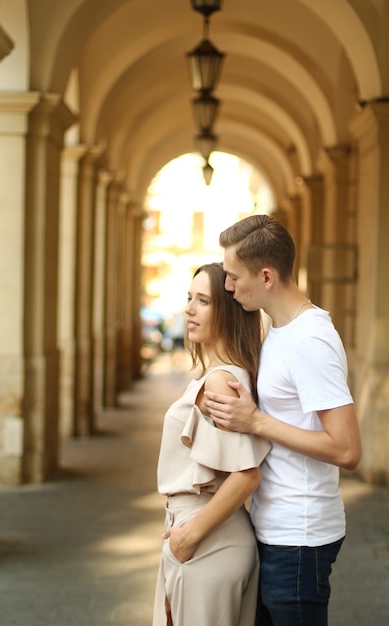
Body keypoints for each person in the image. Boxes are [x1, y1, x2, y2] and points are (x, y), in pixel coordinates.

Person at [203, 215, 362, 626]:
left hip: (300, 538)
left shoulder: (310, 339)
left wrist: (256, 422)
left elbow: (347, 449)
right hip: (274, 530)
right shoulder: (279, 330)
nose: (228, 286)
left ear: (267, 276)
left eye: (235, 277)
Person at [153, 262, 271, 626]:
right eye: (190, 298)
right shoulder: (221, 373)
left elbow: (247, 474)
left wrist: (189, 536)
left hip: (207, 540)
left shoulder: (221, 381)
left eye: (203, 300)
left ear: (228, 311)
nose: (189, 308)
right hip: (200, 533)